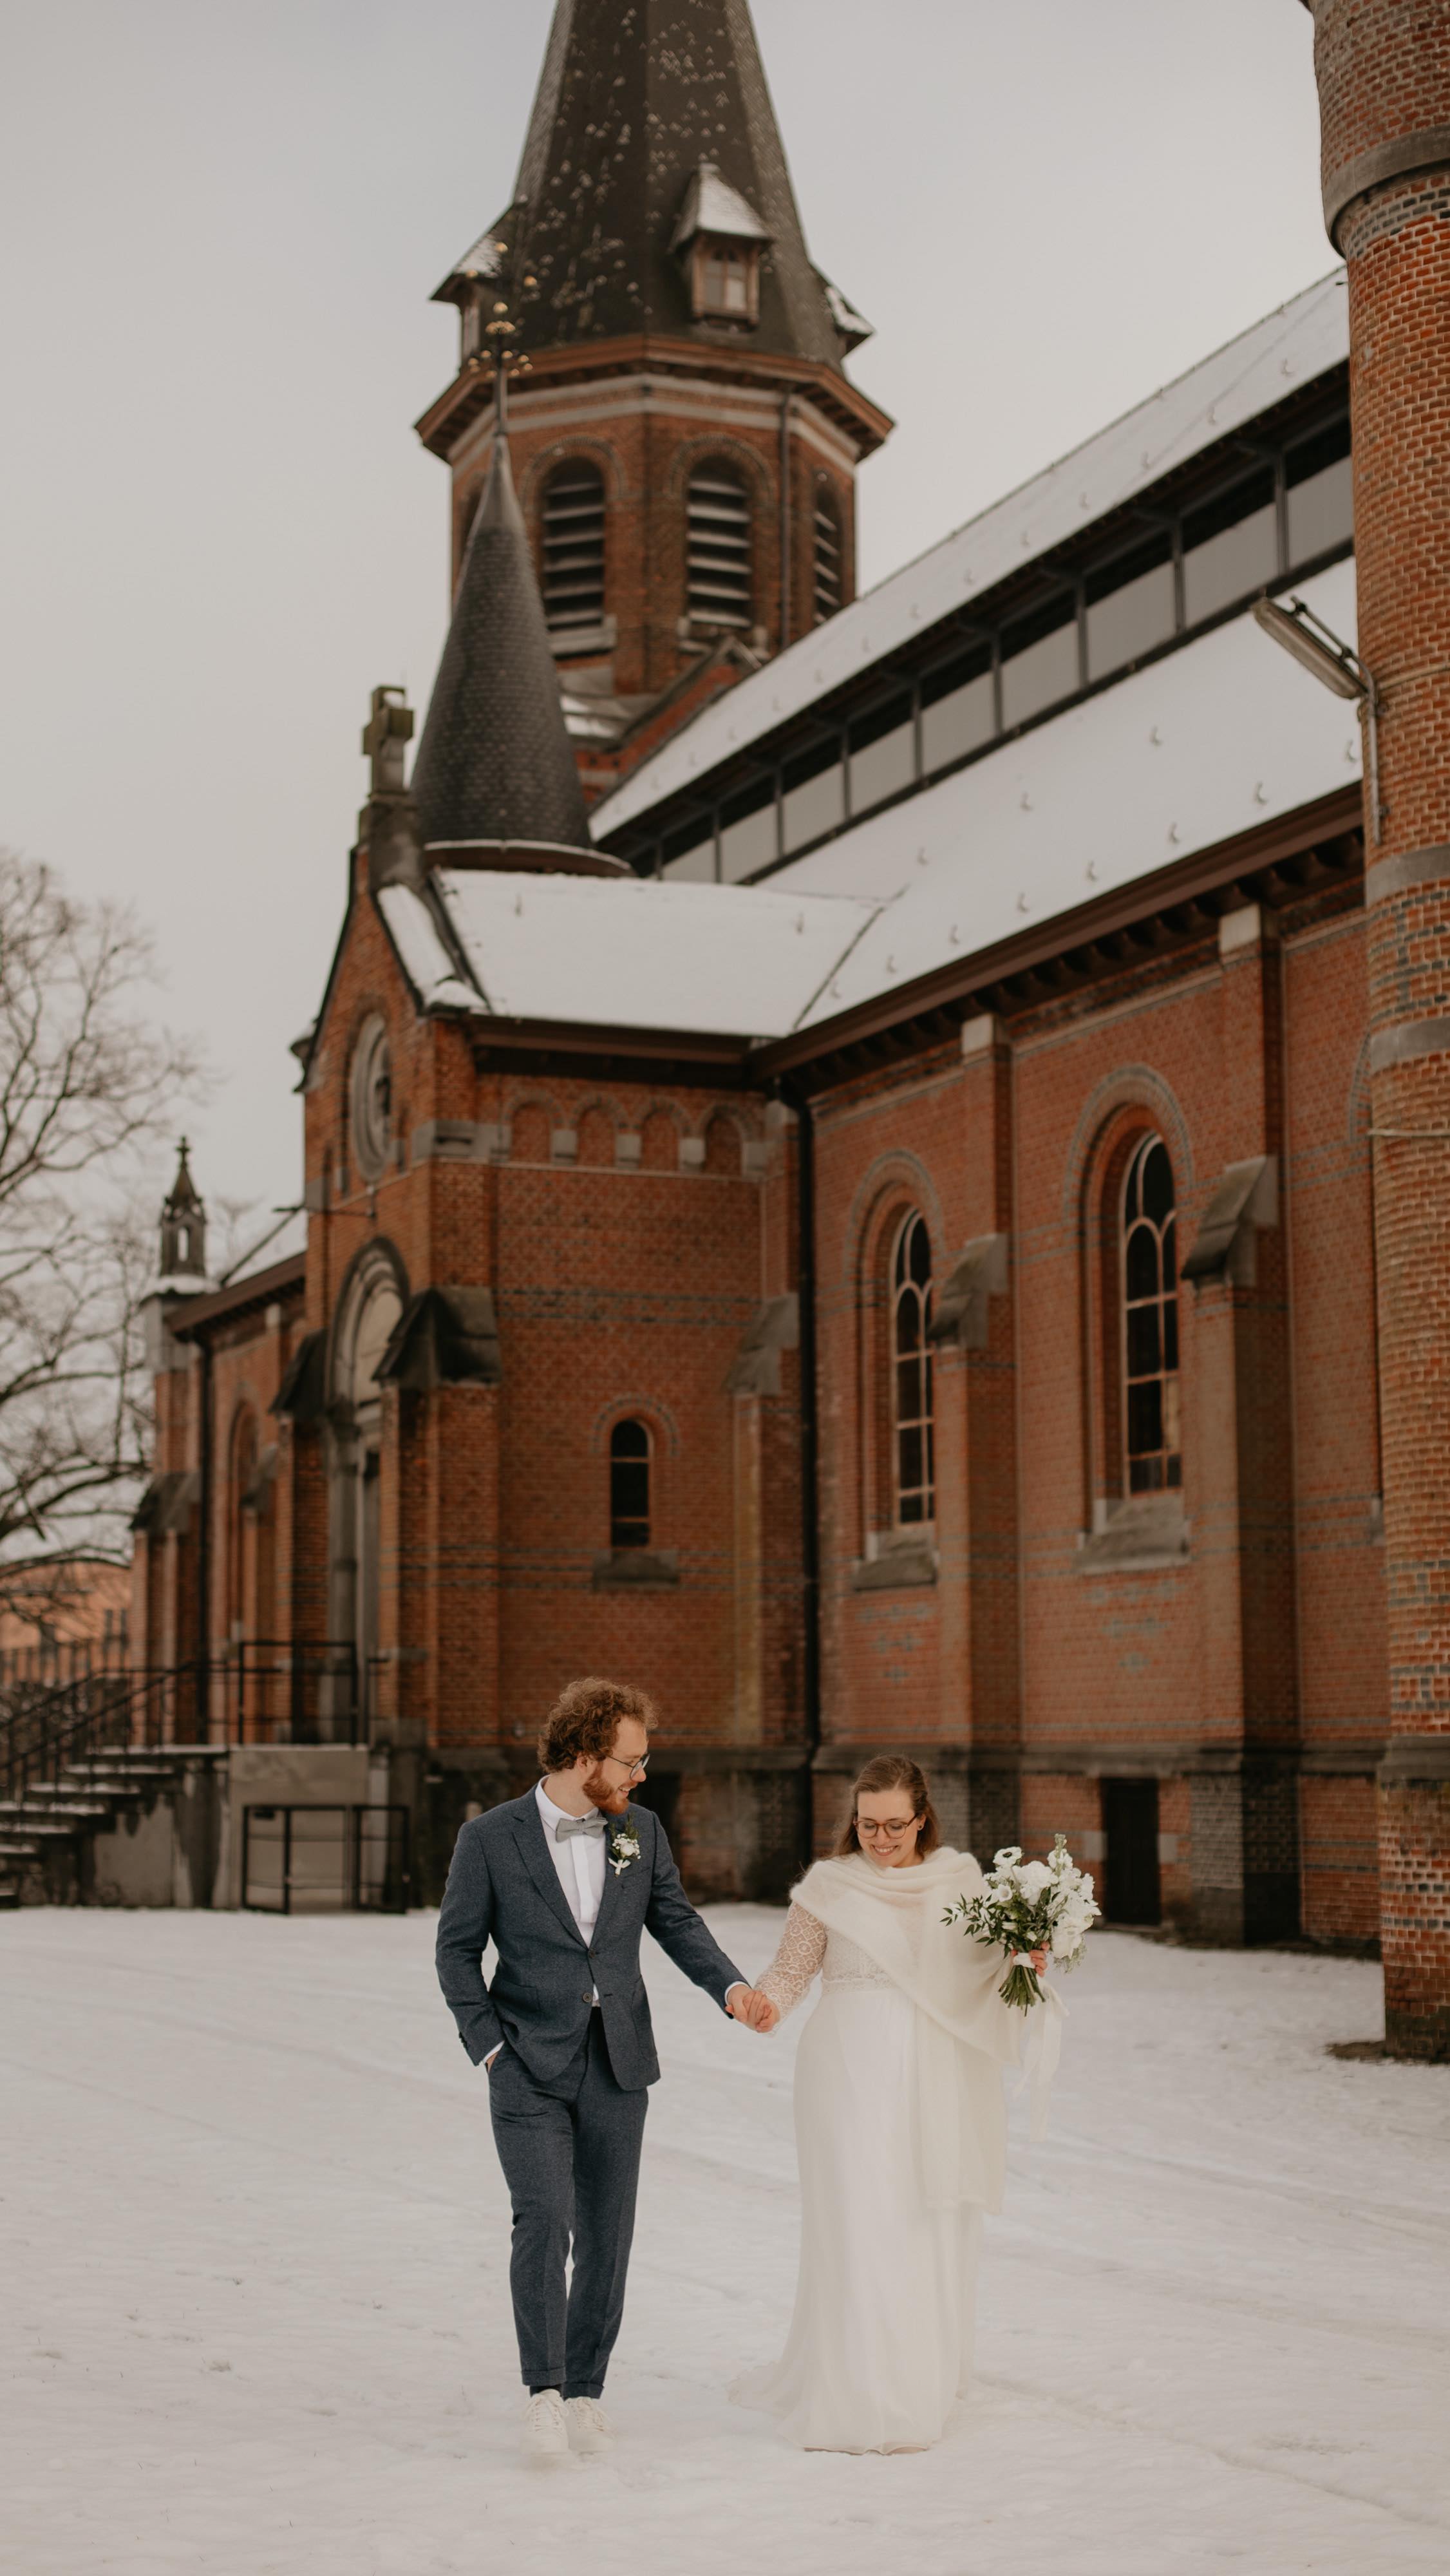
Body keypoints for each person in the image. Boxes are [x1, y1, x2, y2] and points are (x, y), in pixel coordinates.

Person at [435, 1674, 775, 2466]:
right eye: (631, 1761)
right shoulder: (489, 1837)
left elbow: (677, 1923)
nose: (640, 1775)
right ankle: (543, 2394)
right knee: (543, 2220)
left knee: (607, 2237)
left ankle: (586, 2389)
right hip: (526, 2062)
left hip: (619, 2061)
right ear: (584, 1756)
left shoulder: (640, 1831)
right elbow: (456, 1951)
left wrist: (732, 1989)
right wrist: (488, 2045)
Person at [732, 1754, 1044, 2454]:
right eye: (866, 1824)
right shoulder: (827, 1888)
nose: (879, 1837)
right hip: (845, 2068)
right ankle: (858, 2387)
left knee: (921, 2214)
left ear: (922, 1817)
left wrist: (1026, 1959)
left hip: (935, 2072)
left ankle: (917, 2376)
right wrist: (763, 2004)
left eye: (894, 1824)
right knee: (859, 2216)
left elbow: (984, 1975)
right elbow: (789, 1970)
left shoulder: (959, 1883)